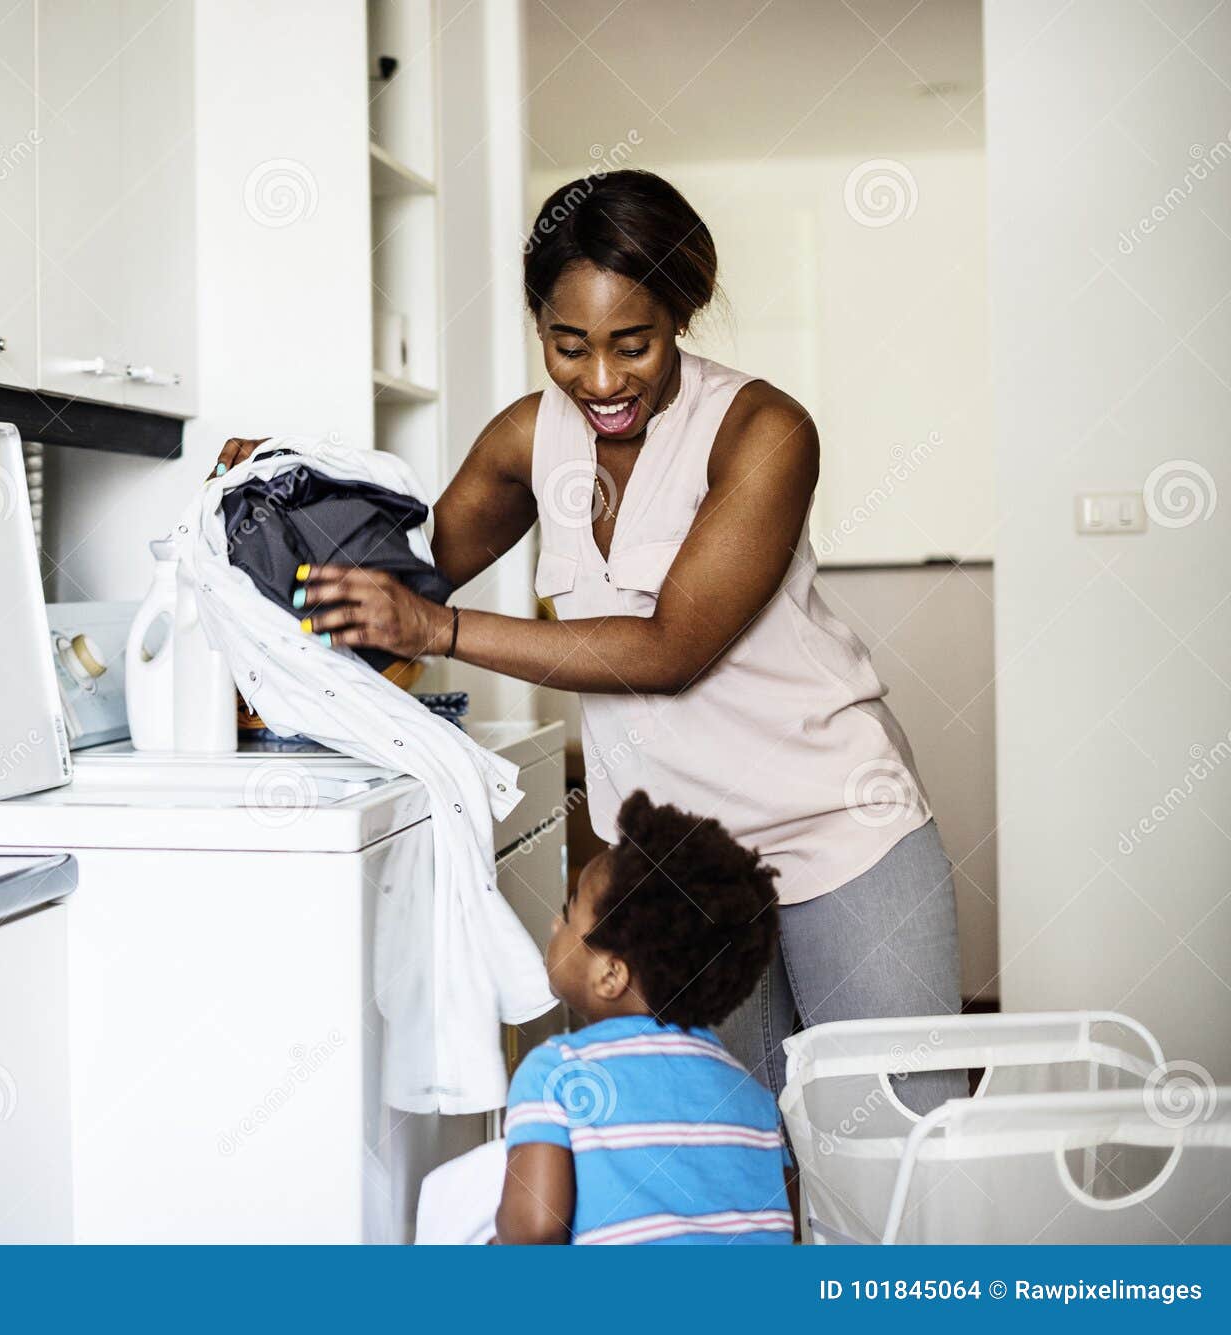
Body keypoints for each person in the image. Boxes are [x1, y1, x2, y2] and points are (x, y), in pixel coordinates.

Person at [215, 168, 963, 1109]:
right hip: (681, 870)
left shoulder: (765, 432)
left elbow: (670, 648)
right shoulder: (527, 442)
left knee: (897, 1149)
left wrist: (440, 630)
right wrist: (284, 487)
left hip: (839, 828)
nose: (602, 381)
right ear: (539, 327)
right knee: (719, 1160)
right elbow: (399, 577)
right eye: (569, 347)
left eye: (633, 345)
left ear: (681, 313)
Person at [494, 790, 789, 1245]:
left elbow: (536, 1227)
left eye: (569, 915)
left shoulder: (558, 1070)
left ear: (610, 975)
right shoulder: (752, 1095)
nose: (556, 925)